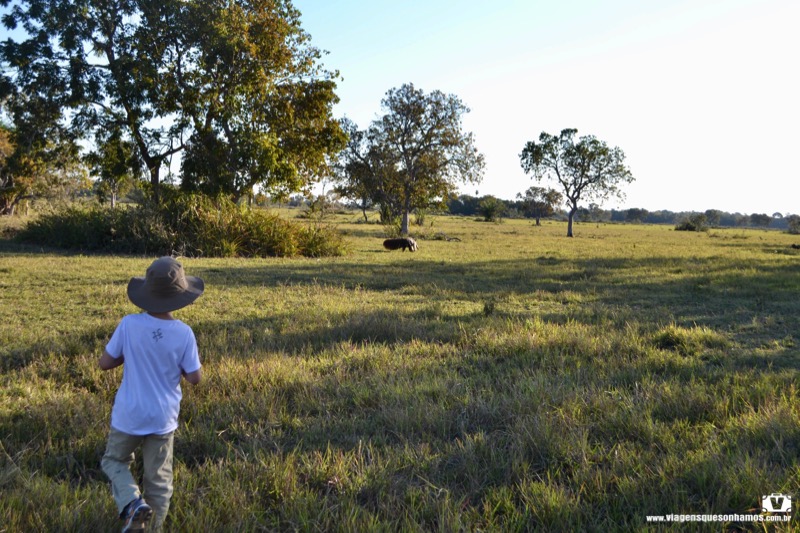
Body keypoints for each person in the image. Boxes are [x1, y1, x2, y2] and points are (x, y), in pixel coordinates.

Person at [99, 256, 204, 532]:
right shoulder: (184, 333)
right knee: (158, 480)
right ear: (181, 296)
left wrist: (127, 354)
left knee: (114, 460)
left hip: (129, 414)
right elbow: (195, 378)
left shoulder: (129, 324)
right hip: (162, 418)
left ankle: (132, 502)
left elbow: (105, 363)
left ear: (146, 293)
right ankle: (152, 527)